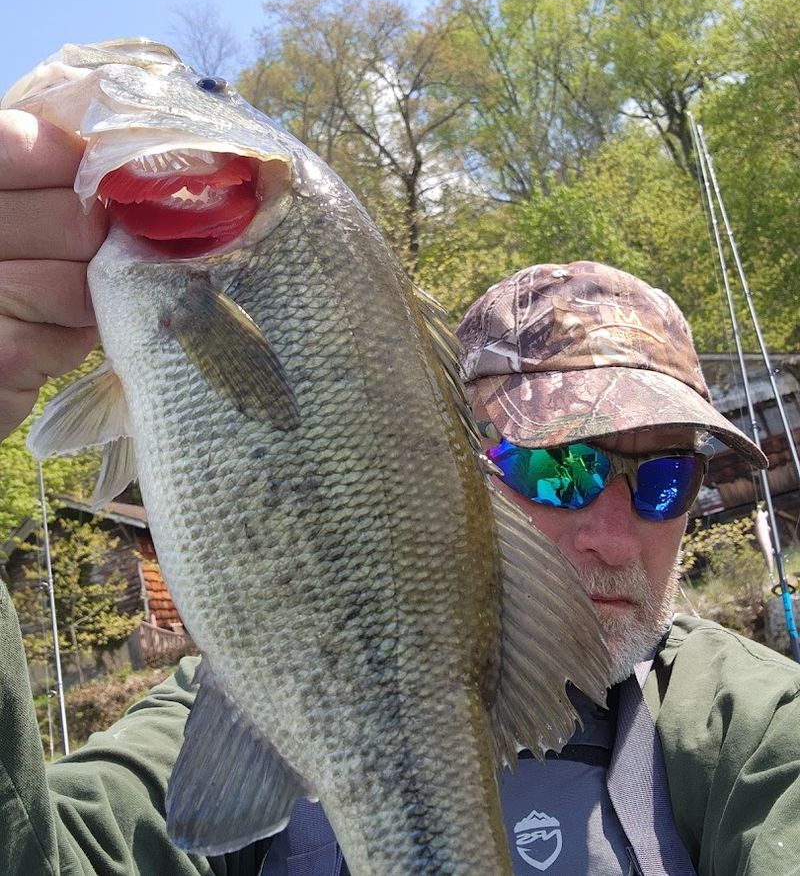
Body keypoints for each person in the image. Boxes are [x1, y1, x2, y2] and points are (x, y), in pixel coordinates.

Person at [0, 109, 799, 876]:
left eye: (666, 480)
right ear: (451, 478)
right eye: (561, 469)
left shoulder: (751, 727)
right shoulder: (243, 694)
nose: (615, 536)